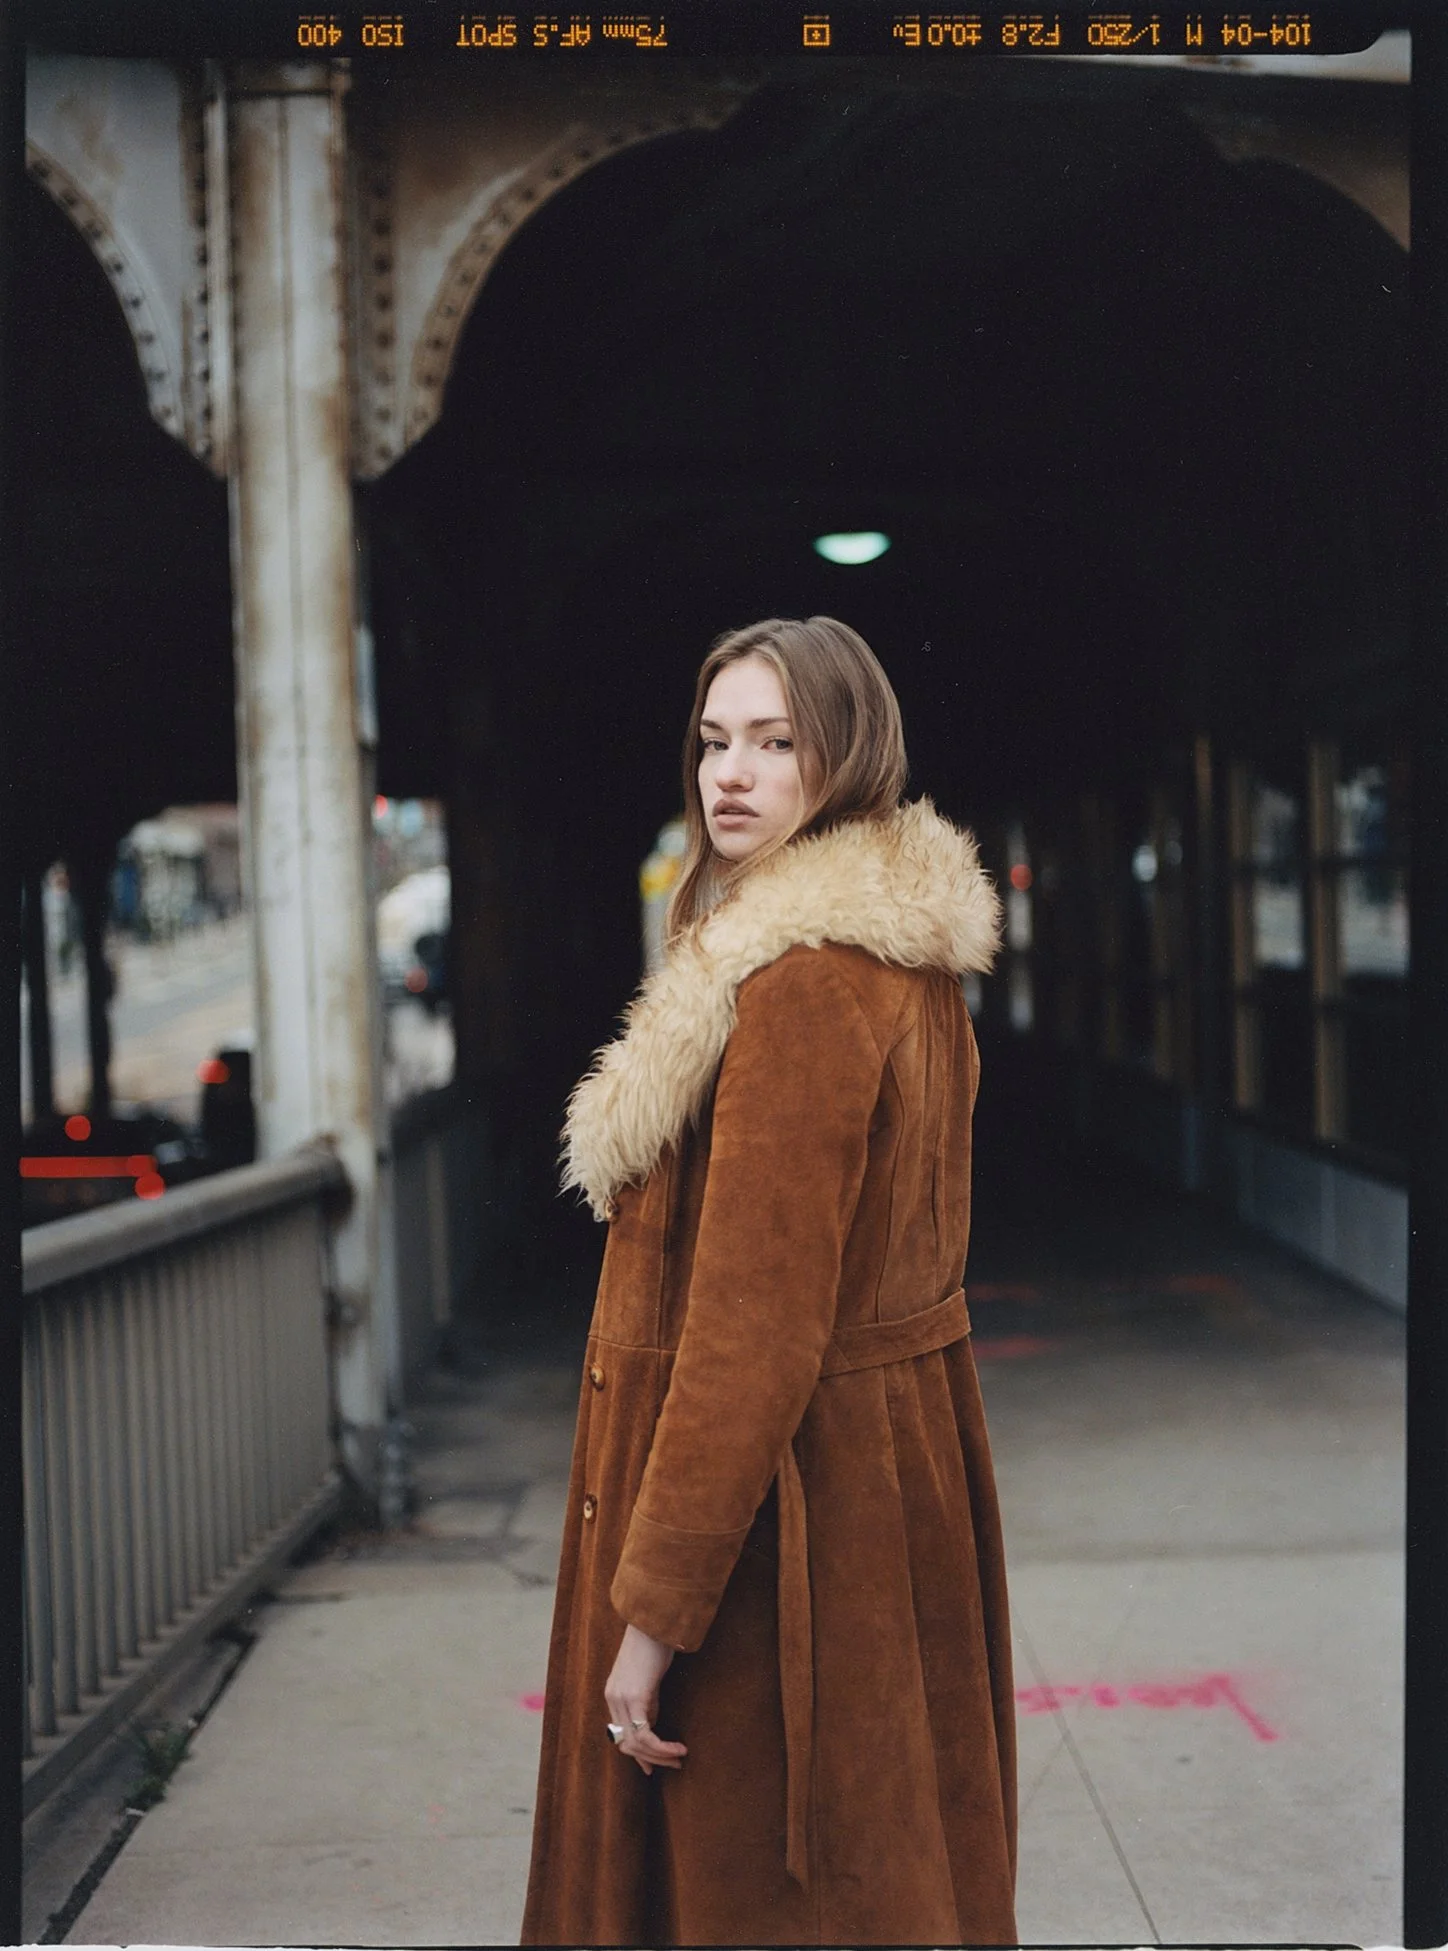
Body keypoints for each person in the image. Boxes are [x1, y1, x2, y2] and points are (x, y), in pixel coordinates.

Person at [521, 617, 1016, 1947]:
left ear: (844, 755)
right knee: (893, 1862)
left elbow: (753, 1333)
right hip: (882, 1494)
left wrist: (652, 1618)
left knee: (759, 1891)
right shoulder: (909, 963)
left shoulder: (796, 985)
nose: (730, 773)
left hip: (778, 1538)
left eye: (776, 741)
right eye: (714, 739)